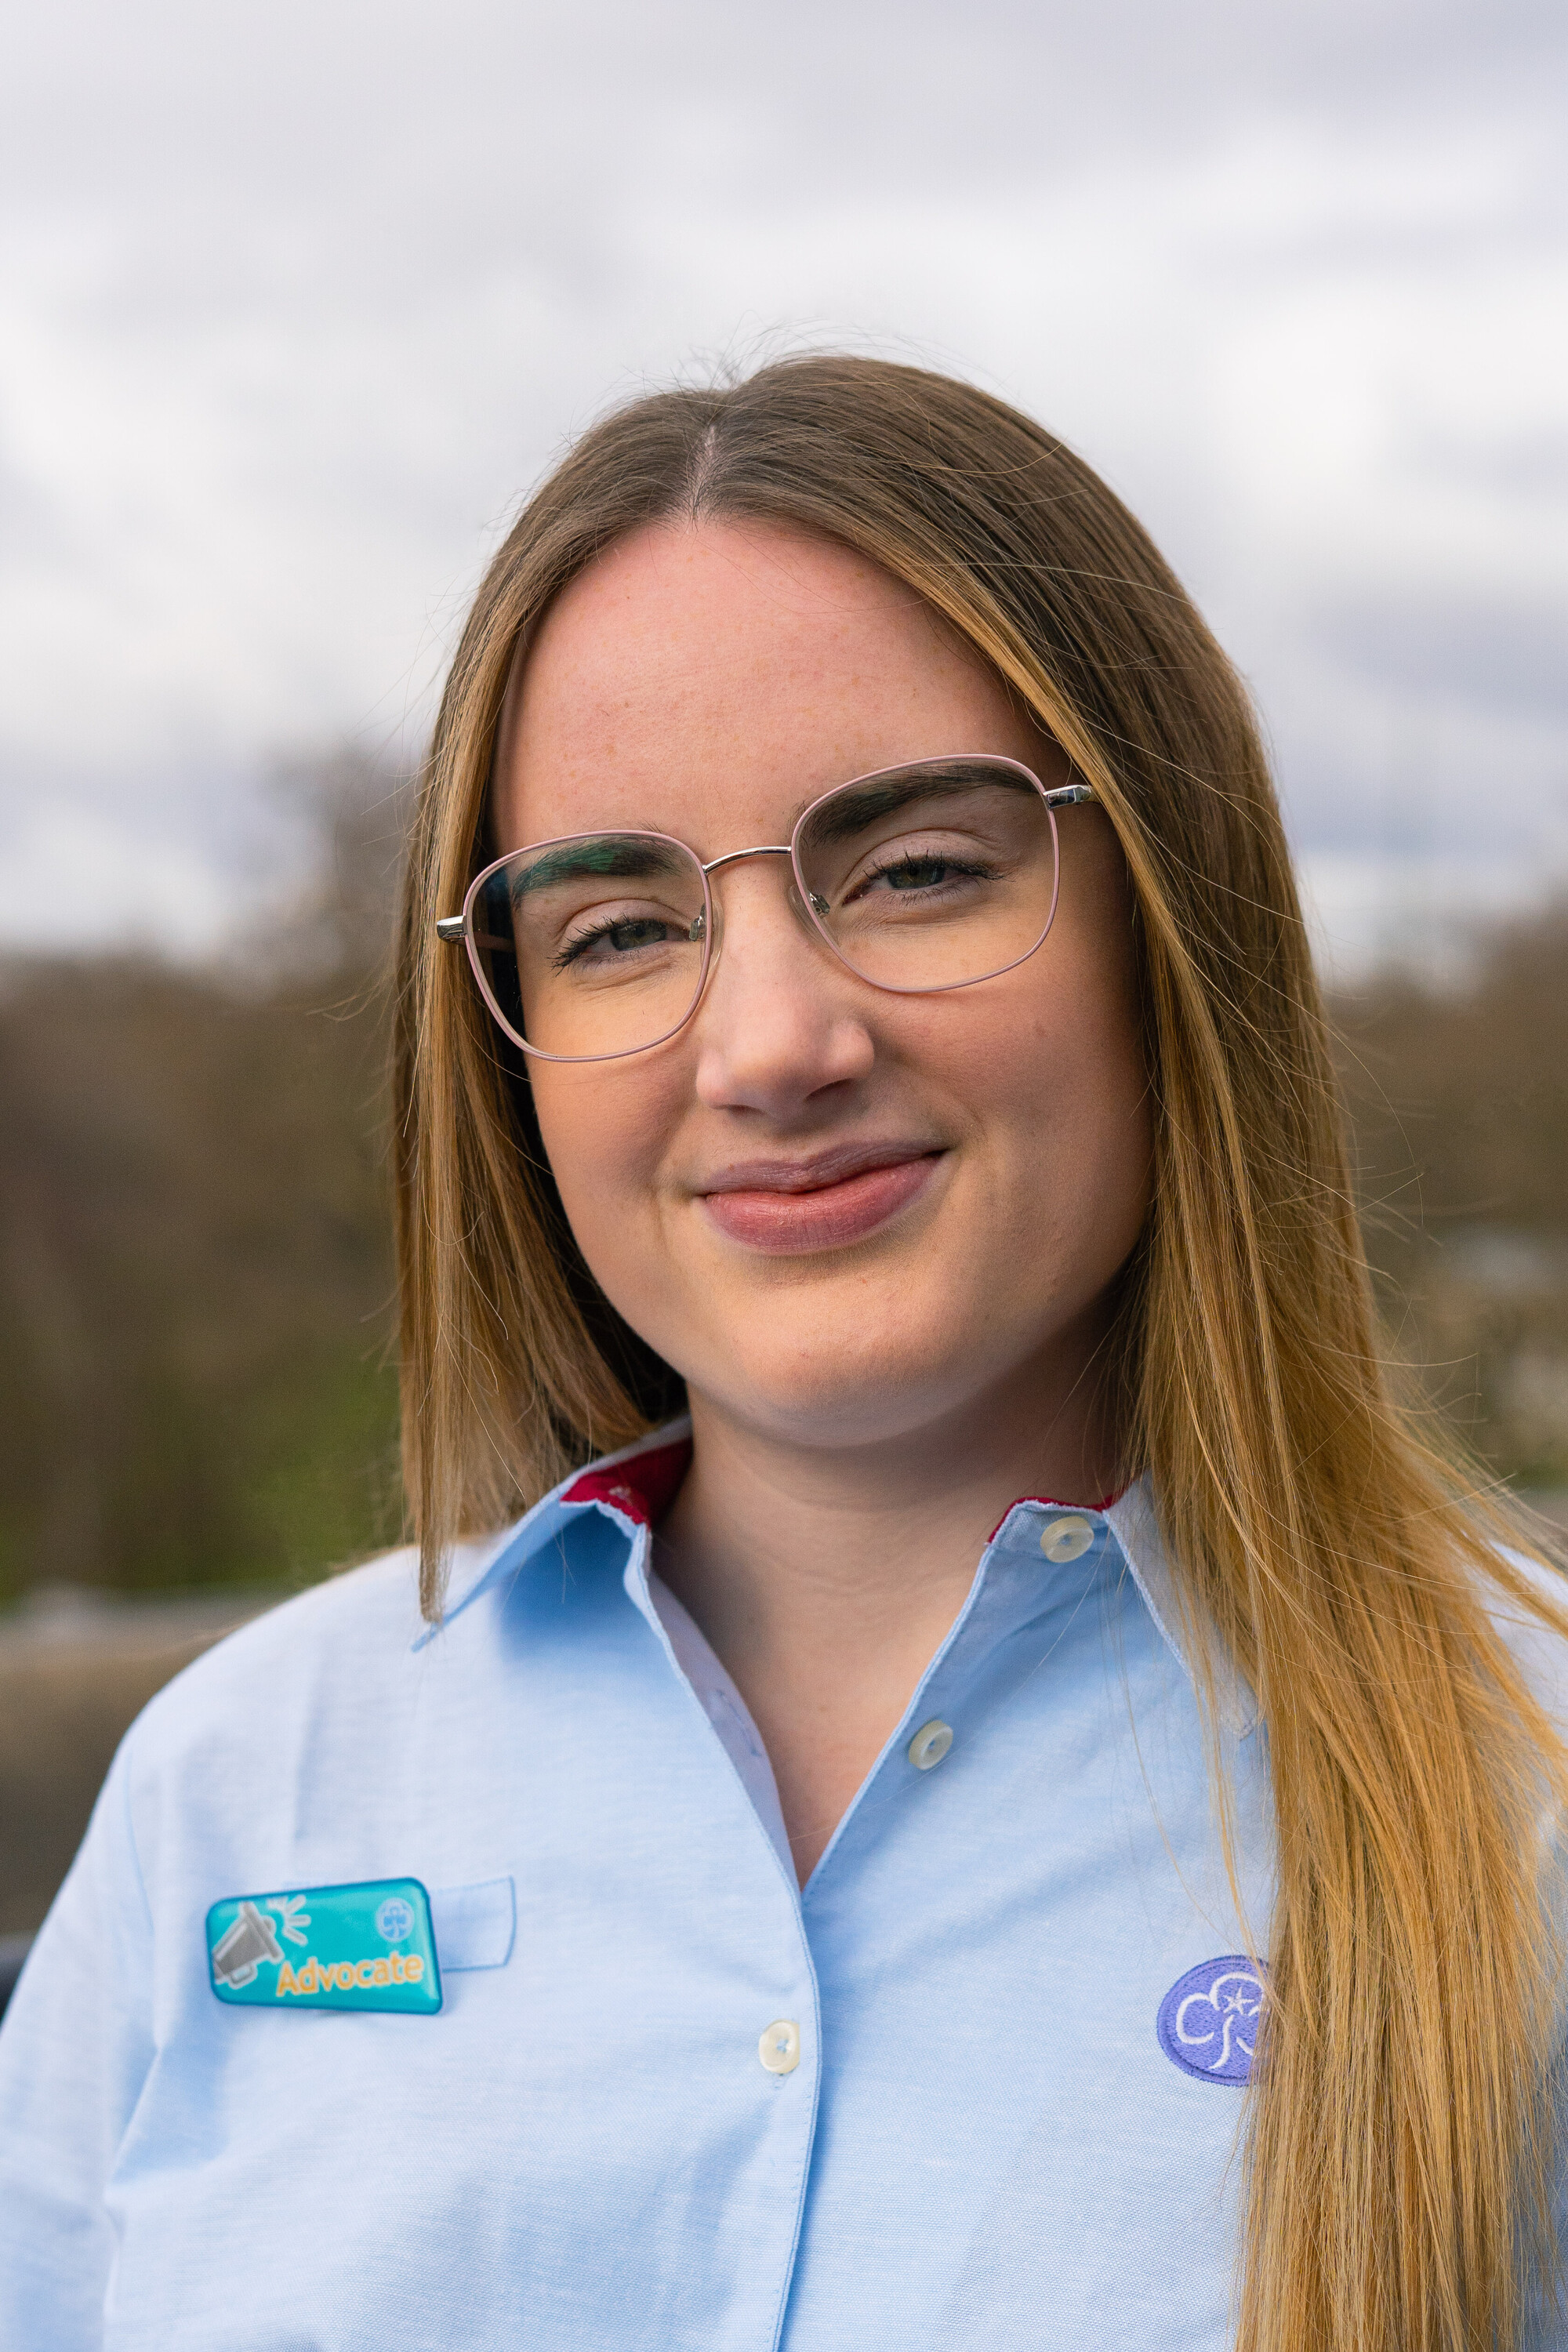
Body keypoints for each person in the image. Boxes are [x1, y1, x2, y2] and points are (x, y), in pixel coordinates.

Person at [1, 355, 1564, 2352]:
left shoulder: (1529, 1809)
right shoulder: (232, 1797)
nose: (768, 1046)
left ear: (1173, 922)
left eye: (916, 872)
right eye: (619, 927)